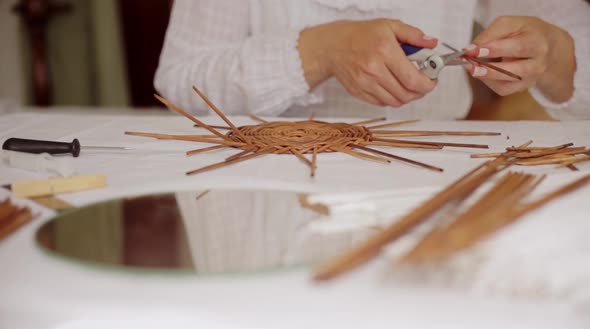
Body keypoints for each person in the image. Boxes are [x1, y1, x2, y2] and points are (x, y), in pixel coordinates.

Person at [154, 0, 590, 120]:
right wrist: (319, 52)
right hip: (264, 195)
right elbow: (179, 82)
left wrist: (552, 54)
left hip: (433, 184)